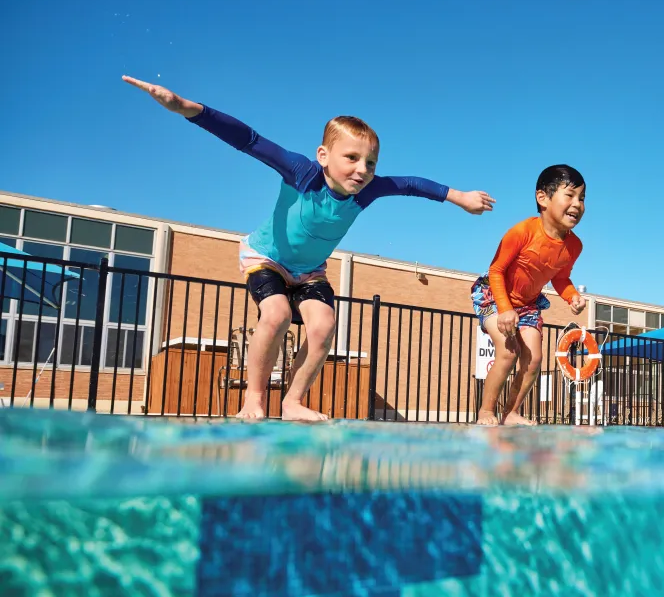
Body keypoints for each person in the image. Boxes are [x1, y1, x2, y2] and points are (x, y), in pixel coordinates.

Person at [123, 76, 495, 422]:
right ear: (323, 155)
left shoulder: (367, 191)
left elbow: (411, 184)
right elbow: (249, 140)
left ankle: (292, 401)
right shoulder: (301, 172)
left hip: (309, 271)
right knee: (277, 315)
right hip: (266, 259)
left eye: (370, 162)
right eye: (351, 158)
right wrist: (189, 108)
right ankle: (254, 397)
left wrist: (459, 197)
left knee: (324, 325)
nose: (362, 169)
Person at [472, 165, 588, 426]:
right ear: (543, 198)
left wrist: (572, 297)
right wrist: (504, 309)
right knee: (508, 351)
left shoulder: (574, 246)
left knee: (534, 358)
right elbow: (497, 270)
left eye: (582, 198)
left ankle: (511, 412)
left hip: (527, 304)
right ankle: (486, 411)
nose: (577, 204)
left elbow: (560, 278)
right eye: (569, 195)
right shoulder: (522, 232)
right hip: (494, 293)